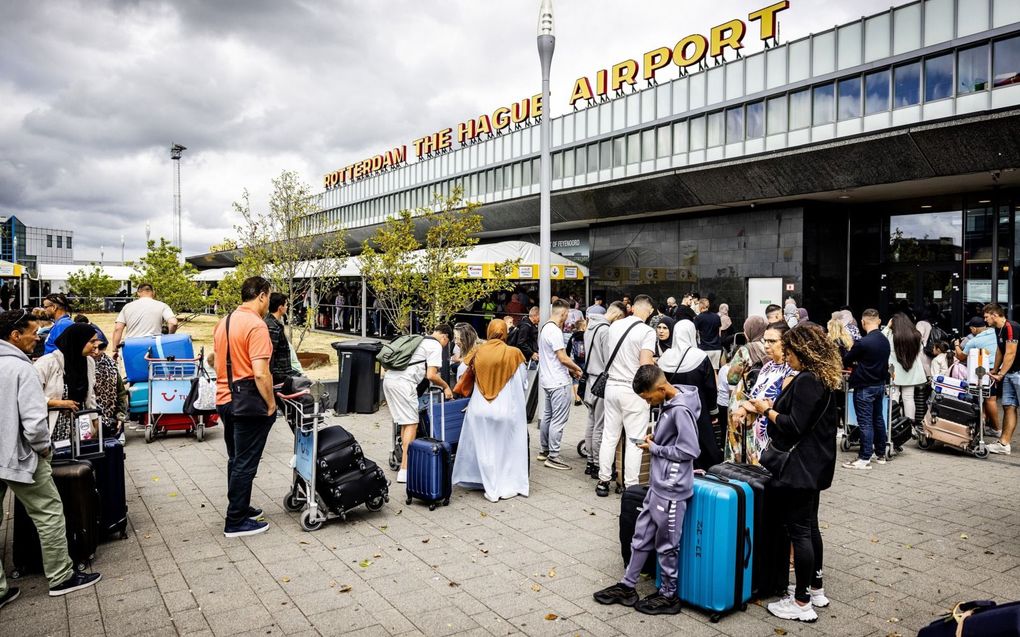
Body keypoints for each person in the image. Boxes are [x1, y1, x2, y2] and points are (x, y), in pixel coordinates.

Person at [0, 310, 103, 607]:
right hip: (19, 454)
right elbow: (34, 423)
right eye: (33, 332)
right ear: (14, 335)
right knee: (48, 513)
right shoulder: (23, 369)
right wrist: (44, 449)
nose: (39, 338)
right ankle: (61, 577)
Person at [744, 324, 839, 623]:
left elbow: (793, 425)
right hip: (815, 463)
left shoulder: (807, 379)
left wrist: (766, 411)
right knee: (810, 526)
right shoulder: (823, 377)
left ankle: (800, 602)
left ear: (802, 351)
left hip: (800, 467)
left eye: (789, 351)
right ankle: (815, 588)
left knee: (800, 530)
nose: (786, 355)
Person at [592, 364, 699, 616]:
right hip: (659, 485)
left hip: (672, 490)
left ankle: (669, 596)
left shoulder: (681, 410)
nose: (648, 402)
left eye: (648, 397)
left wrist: (655, 449)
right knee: (640, 536)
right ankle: (628, 586)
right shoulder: (671, 404)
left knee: (667, 545)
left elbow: (690, 451)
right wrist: (655, 442)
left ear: (661, 388)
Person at [213, 276, 277, 538]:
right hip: (248, 403)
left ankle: (240, 507)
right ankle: (236, 520)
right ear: (262, 295)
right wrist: (271, 404)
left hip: (224, 400)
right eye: (269, 297)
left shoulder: (224, 322)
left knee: (236, 458)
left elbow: (214, 359)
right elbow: (261, 373)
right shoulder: (256, 326)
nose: (269, 302)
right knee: (246, 463)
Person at [452, 319, 528, 502]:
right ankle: (503, 485)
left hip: (479, 407)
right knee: (506, 448)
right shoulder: (514, 353)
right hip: (504, 409)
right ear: (504, 333)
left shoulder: (478, 351)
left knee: (485, 448)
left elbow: (464, 370)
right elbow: (523, 382)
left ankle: (488, 484)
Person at [596, 295, 657, 496]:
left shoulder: (615, 326)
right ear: (648, 311)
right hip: (633, 391)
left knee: (610, 435)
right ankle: (630, 486)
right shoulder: (647, 331)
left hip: (612, 387)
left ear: (632, 308)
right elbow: (645, 364)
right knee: (635, 440)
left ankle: (603, 481)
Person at [384, 324, 454, 481]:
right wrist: (446, 387)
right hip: (403, 384)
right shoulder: (435, 345)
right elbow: (431, 375)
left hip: (390, 381)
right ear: (445, 337)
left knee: (405, 423)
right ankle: (405, 470)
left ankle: (404, 461)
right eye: (446, 343)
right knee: (412, 424)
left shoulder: (420, 340)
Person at [658, 319, 723, 470]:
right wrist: (713, 412)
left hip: (672, 410)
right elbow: (710, 388)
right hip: (699, 411)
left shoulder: (665, 357)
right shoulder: (700, 357)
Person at [727, 322, 793, 465]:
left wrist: (758, 406)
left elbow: (784, 405)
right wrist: (744, 407)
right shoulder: (767, 367)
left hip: (776, 436)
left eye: (772, 341)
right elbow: (756, 395)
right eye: (765, 340)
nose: (767, 345)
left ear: (786, 342)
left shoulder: (791, 370)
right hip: (757, 435)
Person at [35, 322, 101, 443]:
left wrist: (94, 419)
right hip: (55, 424)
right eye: (92, 341)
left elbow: (90, 393)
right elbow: (31, 396)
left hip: (81, 423)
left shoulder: (89, 362)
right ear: (78, 341)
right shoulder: (47, 363)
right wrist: (58, 403)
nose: (96, 345)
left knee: (83, 458)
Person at [841, 309, 890, 470]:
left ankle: (864, 457)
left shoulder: (863, 342)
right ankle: (881, 454)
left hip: (864, 387)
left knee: (865, 423)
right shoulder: (884, 340)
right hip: (880, 385)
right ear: (879, 320)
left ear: (863, 322)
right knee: (878, 419)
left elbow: (847, 360)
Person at [537, 299, 584, 470]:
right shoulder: (555, 331)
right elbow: (562, 357)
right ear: (563, 313)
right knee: (558, 419)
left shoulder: (544, 329)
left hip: (548, 381)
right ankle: (554, 456)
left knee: (548, 417)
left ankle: (544, 450)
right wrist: (577, 369)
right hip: (559, 382)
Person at [582, 301, 625, 477]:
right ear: (617, 315)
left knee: (591, 423)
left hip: (590, 381)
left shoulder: (590, 326)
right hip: (601, 381)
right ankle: (598, 465)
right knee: (600, 425)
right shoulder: (605, 330)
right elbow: (609, 359)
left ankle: (590, 461)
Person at [984, 303, 1020, 454]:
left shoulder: (1011, 327)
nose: (985, 320)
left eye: (986, 317)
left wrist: (1000, 374)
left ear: (994, 315)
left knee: (1010, 406)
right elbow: (1000, 350)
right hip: (1010, 374)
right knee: (1009, 406)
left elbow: (1011, 353)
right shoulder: (998, 329)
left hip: (1017, 373)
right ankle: (1004, 444)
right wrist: (995, 369)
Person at [957, 315, 1000, 436]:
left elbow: (961, 356)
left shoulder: (974, 341)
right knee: (989, 399)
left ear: (973, 329)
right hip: (998, 370)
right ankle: (986, 425)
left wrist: (956, 345)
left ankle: (996, 429)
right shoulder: (995, 332)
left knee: (988, 400)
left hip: (985, 373)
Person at [109, 284, 178, 359]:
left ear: (138, 293)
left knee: (132, 370)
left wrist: (115, 349)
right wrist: (169, 337)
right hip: (153, 346)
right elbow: (173, 323)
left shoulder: (127, 307)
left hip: (131, 346)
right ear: (153, 292)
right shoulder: (162, 305)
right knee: (153, 369)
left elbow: (118, 329)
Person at [885, 313, 926, 430]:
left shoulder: (890, 336)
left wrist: (887, 327)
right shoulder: (916, 336)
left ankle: (893, 423)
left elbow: (880, 339)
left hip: (893, 372)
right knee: (909, 398)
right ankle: (909, 426)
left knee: (893, 396)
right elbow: (920, 351)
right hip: (910, 372)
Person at [90, 330, 127, 439]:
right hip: (88, 417)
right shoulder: (81, 366)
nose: (96, 352)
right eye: (94, 347)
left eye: (100, 347)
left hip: (110, 416)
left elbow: (120, 392)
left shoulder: (111, 365)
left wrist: (120, 416)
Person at [265, 293, 300, 386]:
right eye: (286, 304)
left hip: (282, 373)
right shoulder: (272, 326)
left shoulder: (272, 323)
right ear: (280, 307)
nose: (287, 307)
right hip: (279, 376)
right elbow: (270, 353)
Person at [694, 298, 722, 370]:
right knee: (715, 371)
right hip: (716, 348)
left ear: (700, 306)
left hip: (705, 348)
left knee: (705, 373)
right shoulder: (717, 317)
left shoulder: (698, 318)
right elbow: (719, 332)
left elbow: (694, 333)